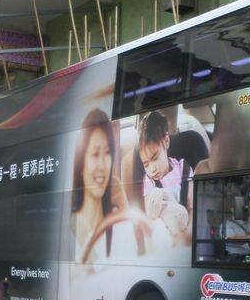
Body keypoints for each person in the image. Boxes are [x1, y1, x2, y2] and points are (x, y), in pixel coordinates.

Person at [71, 109, 133, 264]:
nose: (102, 165)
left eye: (107, 153)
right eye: (95, 154)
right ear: (81, 162)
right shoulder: (68, 225)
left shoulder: (117, 221)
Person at [138, 111, 193, 215]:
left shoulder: (184, 168)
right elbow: (151, 216)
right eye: (146, 164)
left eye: (155, 158)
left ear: (166, 141)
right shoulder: (150, 181)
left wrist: (187, 231)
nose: (152, 169)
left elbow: (192, 208)